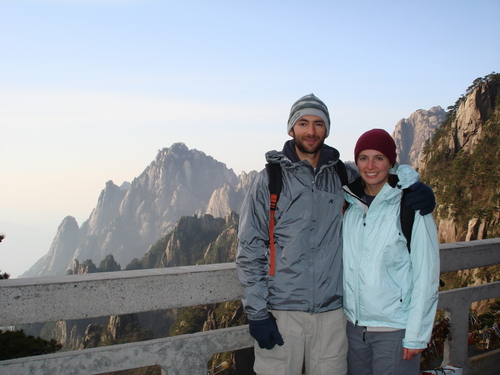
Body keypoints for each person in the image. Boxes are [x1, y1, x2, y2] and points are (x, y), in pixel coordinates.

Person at [236, 94, 436, 375]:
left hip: (332, 315)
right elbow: (250, 249)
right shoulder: (269, 179)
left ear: (326, 130)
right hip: (282, 311)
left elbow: (380, 170)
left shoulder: (343, 174)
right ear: (291, 128)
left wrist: (416, 185)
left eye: (319, 124)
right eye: (303, 123)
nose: (311, 131)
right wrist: (257, 313)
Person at [342, 129, 440, 375]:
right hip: (354, 330)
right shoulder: (350, 206)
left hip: (394, 330)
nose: (371, 165)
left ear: (391, 162)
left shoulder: (411, 205)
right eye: (364, 158)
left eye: (379, 158)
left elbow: (426, 274)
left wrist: (416, 336)